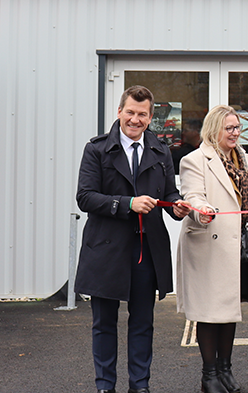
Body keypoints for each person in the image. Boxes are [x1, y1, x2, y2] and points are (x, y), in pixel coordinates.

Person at [76, 85, 193, 393]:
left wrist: (178, 207)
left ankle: (140, 386)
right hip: (105, 250)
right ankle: (105, 386)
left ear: (151, 117)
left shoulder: (161, 149)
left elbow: (168, 193)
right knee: (104, 325)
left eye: (142, 114)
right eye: (130, 112)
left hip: (146, 251)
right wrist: (127, 204)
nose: (135, 119)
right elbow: (85, 197)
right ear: (119, 112)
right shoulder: (97, 149)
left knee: (143, 323)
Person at [177, 105, 248, 393]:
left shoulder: (245, 159)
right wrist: (200, 209)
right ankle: (209, 376)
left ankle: (225, 369)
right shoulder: (194, 160)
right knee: (209, 311)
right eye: (229, 128)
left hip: (239, 244)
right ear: (213, 130)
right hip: (209, 246)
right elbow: (192, 194)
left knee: (230, 308)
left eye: (238, 127)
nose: (235, 133)